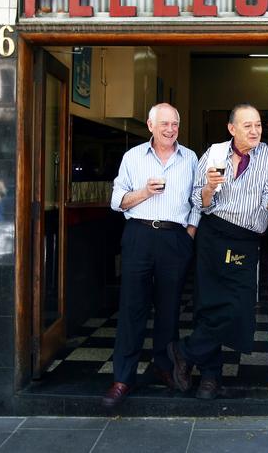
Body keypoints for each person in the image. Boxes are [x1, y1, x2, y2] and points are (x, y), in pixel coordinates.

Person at [167, 103, 268, 400]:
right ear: (231, 129)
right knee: (209, 306)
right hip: (213, 235)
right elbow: (197, 201)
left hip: (244, 240)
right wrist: (209, 189)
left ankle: (184, 351)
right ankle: (210, 379)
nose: (255, 131)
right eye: (247, 126)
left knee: (238, 307)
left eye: (257, 125)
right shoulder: (214, 153)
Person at [102, 103, 199, 408]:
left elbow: (198, 199)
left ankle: (164, 367)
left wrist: (189, 234)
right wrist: (144, 193)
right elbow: (117, 201)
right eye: (164, 124)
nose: (170, 130)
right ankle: (123, 377)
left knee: (169, 310)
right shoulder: (132, 158)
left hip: (175, 238)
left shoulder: (191, 158)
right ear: (150, 126)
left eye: (175, 124)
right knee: (132, 308)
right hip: (139, 235)